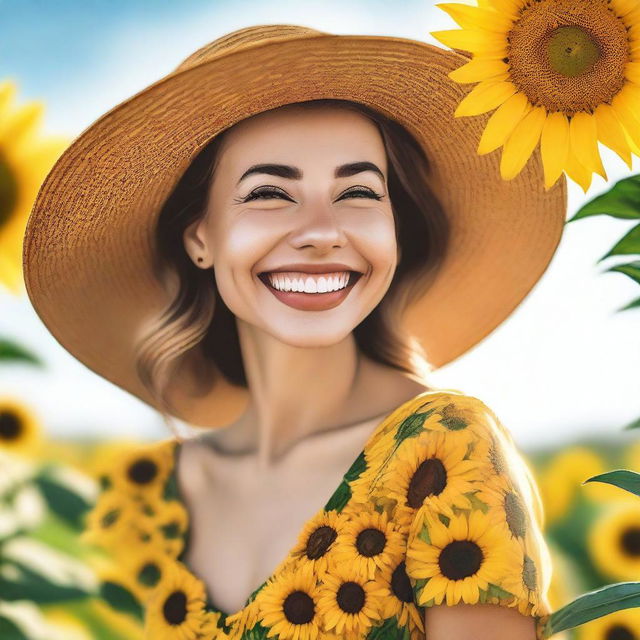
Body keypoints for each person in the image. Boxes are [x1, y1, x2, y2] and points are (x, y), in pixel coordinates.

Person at [23, 24, 568, 640]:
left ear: (396, 227)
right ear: (200, 237)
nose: (321, 231)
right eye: (271, 194)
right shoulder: (152, 496)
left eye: (358, 191)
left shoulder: (445, 449)